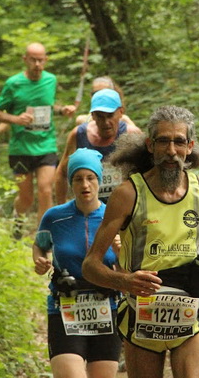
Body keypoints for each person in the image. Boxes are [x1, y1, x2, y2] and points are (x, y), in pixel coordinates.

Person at [82, 106, 199, 378]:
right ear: (150, 145)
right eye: (163, 141)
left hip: (192, 313)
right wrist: (124, 281)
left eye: (179, 141)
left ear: (190, 147)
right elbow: (90, 265)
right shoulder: (128, 194)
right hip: (142, 315)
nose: (171, 151)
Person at [33, 148, 121, 378]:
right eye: (78, 178)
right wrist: (39, 260)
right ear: (71, 182)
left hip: (106, 307)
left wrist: (122, 253)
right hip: (65, 307)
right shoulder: (54, 216)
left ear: (99, 180)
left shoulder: (115, 216)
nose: (85, 185)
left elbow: (130, 270)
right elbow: (40, 245)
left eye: (90, 178)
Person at [0, 42, 76, 239]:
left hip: (45, 144)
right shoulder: (13, 83)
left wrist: (62, 110)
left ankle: (44, 236)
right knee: (26, 198)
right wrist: (16, 119)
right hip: (20, 147)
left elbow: (48, 106)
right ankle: (18, 218)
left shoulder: (51, 80)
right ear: (25, 60)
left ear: (46, 60)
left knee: (46, 190)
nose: (37, 64)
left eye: (41, 60)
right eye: (33, 60)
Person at [55, 88, 142, 204]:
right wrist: (61, 209)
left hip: (124, 206)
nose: (106, 122)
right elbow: (62, 172)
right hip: (88, 208)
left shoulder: (132, 135)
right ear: (92, 115)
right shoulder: (79, 135)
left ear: (120, 112)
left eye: (110, 115)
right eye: (100, 116)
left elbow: (149, 172)